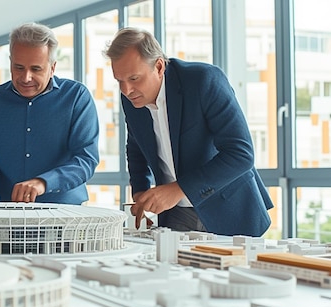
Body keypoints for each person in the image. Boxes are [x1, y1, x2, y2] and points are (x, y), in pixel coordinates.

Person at [103, 27, 273, 237]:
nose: (126, 90)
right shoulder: (131, 98)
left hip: (229, 212)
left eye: (134, 78)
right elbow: (136, 147)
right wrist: (140, 193)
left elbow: (241, 154)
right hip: (176, 216)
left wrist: (178, 189)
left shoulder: (203, 80)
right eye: (119, 80)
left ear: (158, 66)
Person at [0, 23, 99, 205]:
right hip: (7, 215)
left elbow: (86, 159)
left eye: (36, 69)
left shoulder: (76, 97)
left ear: (52, 68)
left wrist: (43, 183)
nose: (26, 77)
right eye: (19, 67)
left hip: (66, 216)